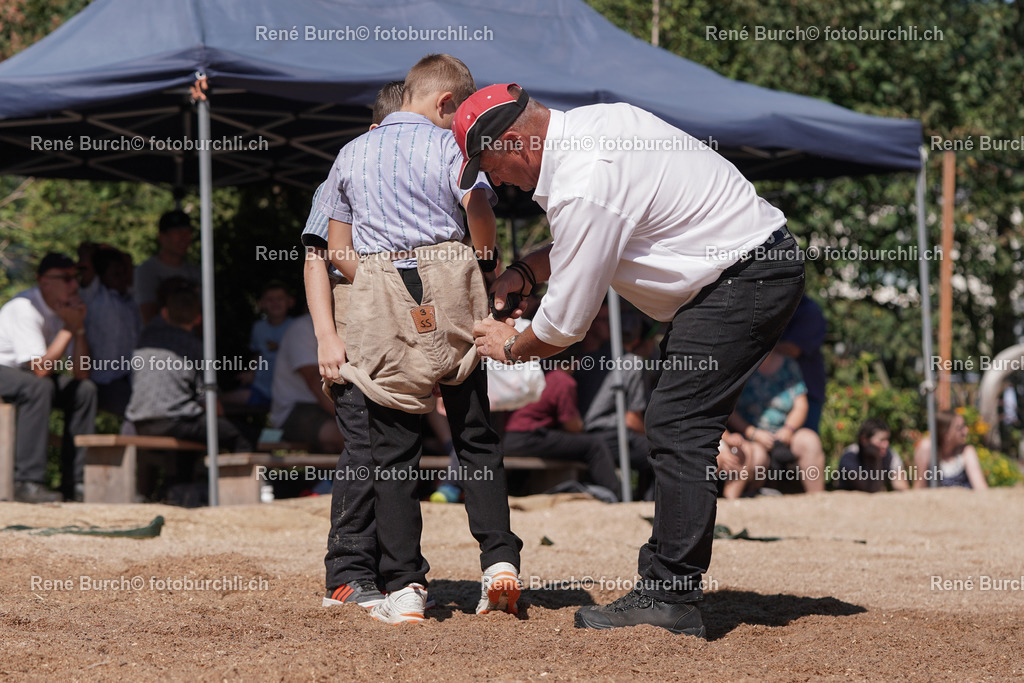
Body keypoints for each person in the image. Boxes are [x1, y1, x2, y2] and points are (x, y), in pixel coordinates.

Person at [465, 83, 804, 637]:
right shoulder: (597, 128)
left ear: (517, 142)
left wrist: (507, 346)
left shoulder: (583, 180)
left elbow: (564, 326)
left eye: (488, 163)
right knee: (675, 423)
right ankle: (665, 583)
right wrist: (526, 272)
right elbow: (596, 237)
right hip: (743, 274)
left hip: (741, 279)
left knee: (677, 425)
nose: (494, 180)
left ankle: (669, 595)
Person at [320, 56, 524, 624]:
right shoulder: (452, 149)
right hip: (451, 276)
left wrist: (385, 289)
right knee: (475, 432)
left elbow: (337, 251)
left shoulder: (351, 154)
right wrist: (483, 262)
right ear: (445, 104)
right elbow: (477, 208)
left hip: (380, 282)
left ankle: (406, 587)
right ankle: (499, 560)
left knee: (393, 449)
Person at [304, 81, 404, 610]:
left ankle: (392, 571)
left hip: (403, 343)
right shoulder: (345, 171)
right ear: (375, 134)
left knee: (395, 455)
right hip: (355, 341)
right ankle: (346, 574)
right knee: (364, 452)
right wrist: (326, 336)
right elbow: (316, 255)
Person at [125, 278, 250, 499]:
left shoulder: (145, 339)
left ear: (164, 313)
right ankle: (241, 497)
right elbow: (208, 399)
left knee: (193, 430)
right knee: (239, 436)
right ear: (199, 318)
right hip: (173, 421)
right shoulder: (194, 346)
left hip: (140, 422)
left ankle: (174, 487)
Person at [0, 252, 97, 503]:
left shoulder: (63, 310)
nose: (74, 285)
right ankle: (27, 482)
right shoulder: (24, 307)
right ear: (44, 282)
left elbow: (81, 372)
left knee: (85, 391)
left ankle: (74, 483)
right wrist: (68, 328)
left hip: (29, 373)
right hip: (5, 368)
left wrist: (79, 328)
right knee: (39, 387)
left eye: (75, 278)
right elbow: (41, 370)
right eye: (66, 278)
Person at [503, 361, 623, 499]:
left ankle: (517, 491)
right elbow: (572, 426)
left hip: (507, 438)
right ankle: (616, 497)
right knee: (595, 445)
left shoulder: (531, 375)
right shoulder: (562, 380)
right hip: (529, 437)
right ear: (574, 362)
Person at [575, 302, 653, 499]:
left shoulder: (578, 360)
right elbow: (631, 420)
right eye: (603, 320)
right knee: (662, 454)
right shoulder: (631, 363)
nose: (610, 325)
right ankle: (646, 504)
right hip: (607, 435)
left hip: (583, 435)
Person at [728, 348, 826, 495]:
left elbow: (801, 405)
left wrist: (788, 429)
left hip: (784, 435)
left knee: (810, 441)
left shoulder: (789, 365)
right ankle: (744, 502)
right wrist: (752, 432)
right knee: (755, 456)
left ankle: (819, 500)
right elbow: (729, 410)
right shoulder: (739, 366)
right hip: (749, 436)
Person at [79, 244, 141, 416]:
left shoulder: (129, 300)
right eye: (115, 274)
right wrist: (102, 248)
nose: (122, 278)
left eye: (123, 273)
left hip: (129, 378)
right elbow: (85, 253)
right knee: (134, 410)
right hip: (103, 379)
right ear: (101, 276)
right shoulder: (94, 296)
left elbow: (128, 261)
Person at [268, 313, 343, 453]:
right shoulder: (302, 329)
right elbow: (315, 382)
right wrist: (350, 418)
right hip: (294, 409)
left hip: (324, 406)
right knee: (347, 436)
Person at [135, 210, 201, 325]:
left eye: (187, 233)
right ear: (162, 237)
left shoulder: (196, 273)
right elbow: (148, 317)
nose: (184, 239)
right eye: (178, 233)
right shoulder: (146, 271)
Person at [776, 295, 827, 433]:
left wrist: (755, 347)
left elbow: (793, 349)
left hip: (807, 393)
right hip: (769, 395)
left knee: (807, 442)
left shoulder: (809, 311)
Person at [246, 281, 295, 408]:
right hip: (260, 387)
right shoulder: (258, 328)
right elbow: (257, 354)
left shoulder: (296, 327)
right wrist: (251, 373)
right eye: (270, 299)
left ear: (290, 302)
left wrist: (280, 347)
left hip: (289, 390)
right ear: (261, 303)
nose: (275, 303)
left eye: (280, 299)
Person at [913, 410, 988, 490]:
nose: (966, 431)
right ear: (946, 435)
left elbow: (981, 488)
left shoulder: (966, 452)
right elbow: (919, 487)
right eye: (960, 428)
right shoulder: (928, 449)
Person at [836, 418, 909, 492]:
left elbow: (902, 487)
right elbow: (868, 489)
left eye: (887, 439)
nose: (886, 445)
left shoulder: (890, 455)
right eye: (881, 440)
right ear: (864, 440)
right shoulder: (850, 456)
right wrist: (877, 460)